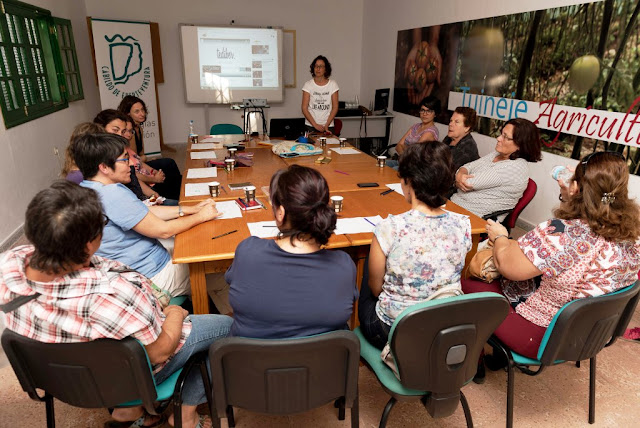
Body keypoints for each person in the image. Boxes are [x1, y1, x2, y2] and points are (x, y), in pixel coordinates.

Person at [0, 180, 233, 428]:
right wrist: (175, 313)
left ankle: (128, 411)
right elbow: (160, 351)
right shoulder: (110, 293)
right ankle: (185, 415)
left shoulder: (9, 265)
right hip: (131, 372)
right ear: (89, 244)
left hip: (61, 377)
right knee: (231, 329)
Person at [463, 151, 640, 360]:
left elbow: (507, 266)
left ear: (576, 188)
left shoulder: (560, 232)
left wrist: (500, 236)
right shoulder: (634, 237)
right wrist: (574, 193)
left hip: (543, 336)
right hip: (591, 336)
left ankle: (471, 362)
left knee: (466, 281)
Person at [73, 133, 228, 308]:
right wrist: (201, 216)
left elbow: (142, 211)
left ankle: (203, 305)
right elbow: (163, 230)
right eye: (125, 160)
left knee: (193, 244)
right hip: (152, 275)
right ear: (104, 167)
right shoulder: (112, 193)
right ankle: (226, 320)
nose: (131, 164)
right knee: (222, 272)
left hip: (132, 270)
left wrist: (189, 209)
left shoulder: (87, 189)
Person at [358, 142, 472, 349]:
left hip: (392, 330)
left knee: (367, 267)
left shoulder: (389, 228)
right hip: (441, 327)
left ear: (407, 181)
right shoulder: (463, 224)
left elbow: (375, 289)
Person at [226, 165, 358, 338]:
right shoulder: (344, 265)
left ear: (281, 213)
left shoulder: (248, 252)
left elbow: (234, 281)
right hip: (323, 355)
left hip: (251, 355)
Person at [451, 117, 541, 218]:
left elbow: (467, 183)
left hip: (474, 216)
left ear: (520, 144)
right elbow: (468, 166)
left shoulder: (515, 168)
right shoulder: (497, 154)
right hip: (457, 205)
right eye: (501, 134)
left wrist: (458, 177)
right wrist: (461, 174)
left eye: (506, 137)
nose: (498, 138)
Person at [93, 109, 167, 203]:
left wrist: (153, 194)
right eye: (115, 130)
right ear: (101, 129)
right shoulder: (100, 157)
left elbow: (134, 177)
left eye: (123, 131)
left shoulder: (122, 148)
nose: (120, 135)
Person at [117, 95, 182, 200]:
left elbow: (140, 155)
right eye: (137, 111)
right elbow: (136, 160)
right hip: (136, 166)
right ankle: (176, 195)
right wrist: (145, 161)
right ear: (128, 114)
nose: (142, 114)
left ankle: (179, 192)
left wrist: (145, 160)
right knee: (168, 165)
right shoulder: (129, 135)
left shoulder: (139, 129)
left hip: (138, 163)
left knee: (169, 165)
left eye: (142, 110)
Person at [301, 55, 339, 133]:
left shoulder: (333, 84)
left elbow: (335, 107)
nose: (318, 69)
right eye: (316, 66)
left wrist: (326, 125)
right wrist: (315, 125)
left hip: (328, 126)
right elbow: (304, 108)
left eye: (321, 66)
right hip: (311, 126)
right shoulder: (308, 85)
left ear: (325, 69)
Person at [442, 106, 480, 171]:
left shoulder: (468, 149)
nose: (450, 124)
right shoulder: (449, 138)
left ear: (467, 128)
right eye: (451, 120)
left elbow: (447, 171)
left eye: (456, 122)